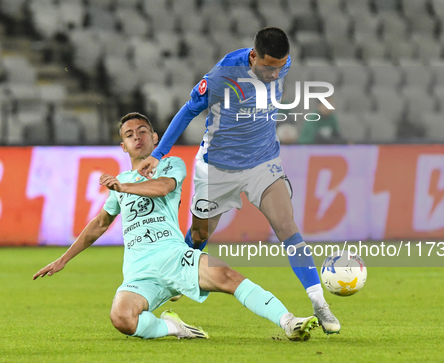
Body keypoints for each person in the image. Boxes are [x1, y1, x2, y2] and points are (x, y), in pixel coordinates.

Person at [33, 112, 319, 341]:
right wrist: (63, 259)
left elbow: (162, 188)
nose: (137, 137)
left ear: (155, 137)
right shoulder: (119, 184)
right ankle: (174, 328)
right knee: (121, 318)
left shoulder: (170, 165)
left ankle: (289, 321)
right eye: (129, 135)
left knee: (226, 276)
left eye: (142, 131)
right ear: (123, 146)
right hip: (139, 270)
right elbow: (99, 224)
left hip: (174, 256)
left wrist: (124, 186)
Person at [136, 27, 341, 334]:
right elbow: (189, 109)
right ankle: (172, 279)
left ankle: (319, 302)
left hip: (263, 162)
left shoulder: (281, 62)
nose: (275, 73)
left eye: (280, 66)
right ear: (254, 56)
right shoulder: (222, 76)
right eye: (268, 67)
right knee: (198, 234)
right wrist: (160, 153)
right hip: (217, 168)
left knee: (287, 227)